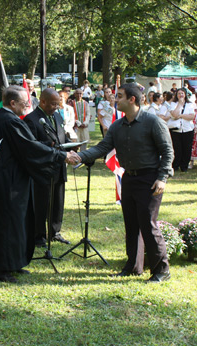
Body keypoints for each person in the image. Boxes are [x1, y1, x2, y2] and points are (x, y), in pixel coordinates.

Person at [0, 85, 79, 283]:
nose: (28, 106)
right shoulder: (8, 121)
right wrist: (61, 156)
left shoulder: (2, 118)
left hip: (10, 178)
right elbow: (30, 148)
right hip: (7, 181)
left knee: (16, 222)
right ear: (12, 103)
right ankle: (1, 267)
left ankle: (13, 262)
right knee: (7, 223)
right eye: (24, 103)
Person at [72, 83, 173, 283]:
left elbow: (167, 151)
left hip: (150, 179)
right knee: (131, 224)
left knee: (148, 225)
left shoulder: (153, 122)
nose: (115, 100)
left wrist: (162, 178)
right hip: (129, 178)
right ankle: (134, 266)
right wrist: (79, 156)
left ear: (132, 99)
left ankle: (162, 270)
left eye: (119, 96)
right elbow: (103, 147)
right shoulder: (117, 126)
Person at [24, 88, 72, 247]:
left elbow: (61, 136)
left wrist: (69, 144)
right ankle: (39, 235)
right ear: (42, 101)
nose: (56, 107)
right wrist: (50, 145)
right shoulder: (31, 119)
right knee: (41, 202)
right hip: (42, 169)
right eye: (52, 104)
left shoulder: (57, 116)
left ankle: (55, 231)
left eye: (57, 104)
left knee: (58, 201)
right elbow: (31, 145)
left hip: (59, 166)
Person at [168, 88, 196, 172]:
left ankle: (184, 166)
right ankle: (175, 165)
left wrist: (180, 115)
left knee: (186, 148)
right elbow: (174, 115)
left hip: (188, 129)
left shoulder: (190, 104)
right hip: (176, 130)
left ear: (185, 95)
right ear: (176, 95)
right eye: (179, 93)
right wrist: (179, 105)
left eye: (182, 93)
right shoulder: (173, 104)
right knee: (177, 148)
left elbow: (191, 116)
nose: (181, 95)